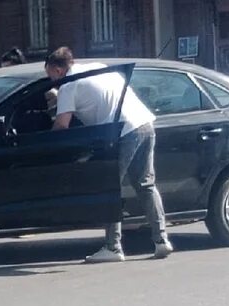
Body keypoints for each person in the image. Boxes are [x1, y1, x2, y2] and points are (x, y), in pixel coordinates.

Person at [45, 46, 171, 263]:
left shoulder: (68, 85)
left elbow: (62, 125)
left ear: (57, 70)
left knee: (109, 187)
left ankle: (113, 247)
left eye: (49, 75)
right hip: (144, 123)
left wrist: (45, 142)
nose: (49, 80)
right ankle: (162, 241)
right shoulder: (97, 68)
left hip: (122, 132)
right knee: (146, 184)